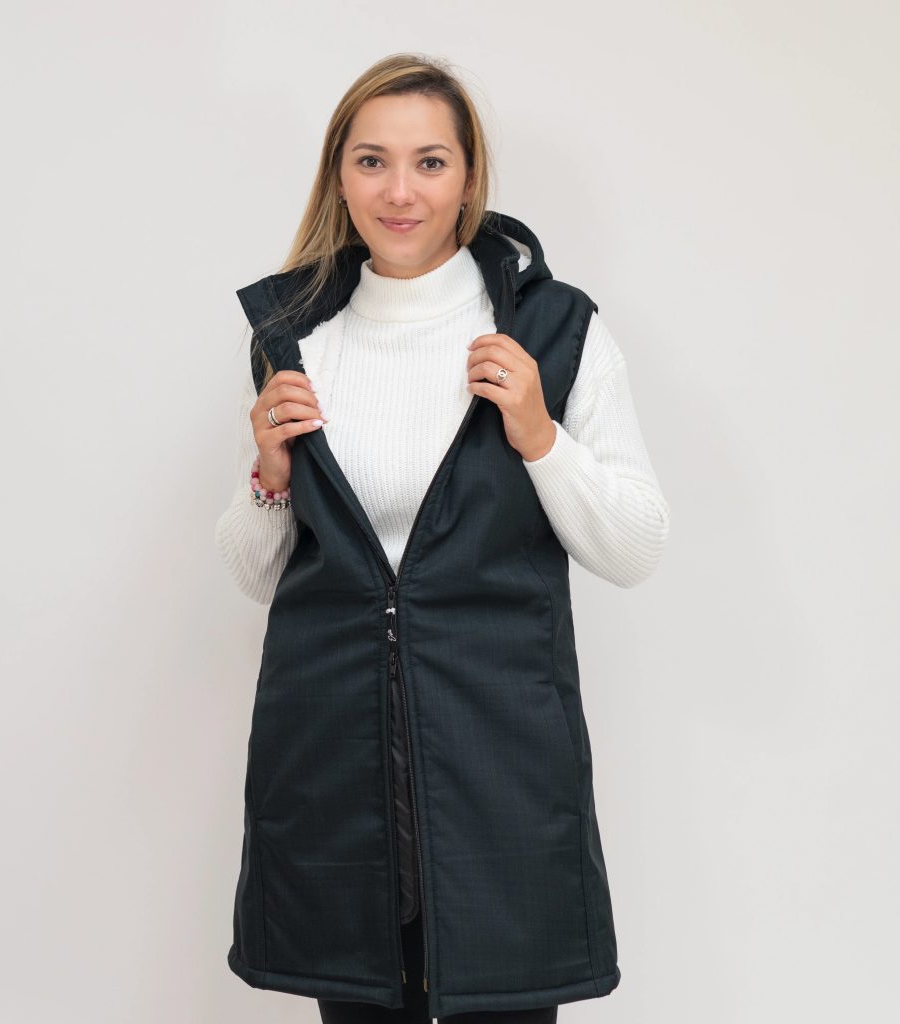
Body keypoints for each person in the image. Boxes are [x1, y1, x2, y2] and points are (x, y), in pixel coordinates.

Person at [216, 53, 670, 1024]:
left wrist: (539, 438)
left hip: (498, 762)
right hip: (333, 764)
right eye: (371, 161)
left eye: (429, 162)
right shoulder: (294, 337)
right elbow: (259, 576)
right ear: (339, 176)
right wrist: (269, 476)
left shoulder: (554, 330)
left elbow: (636, 546)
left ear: (469, 177)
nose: (400, 192)